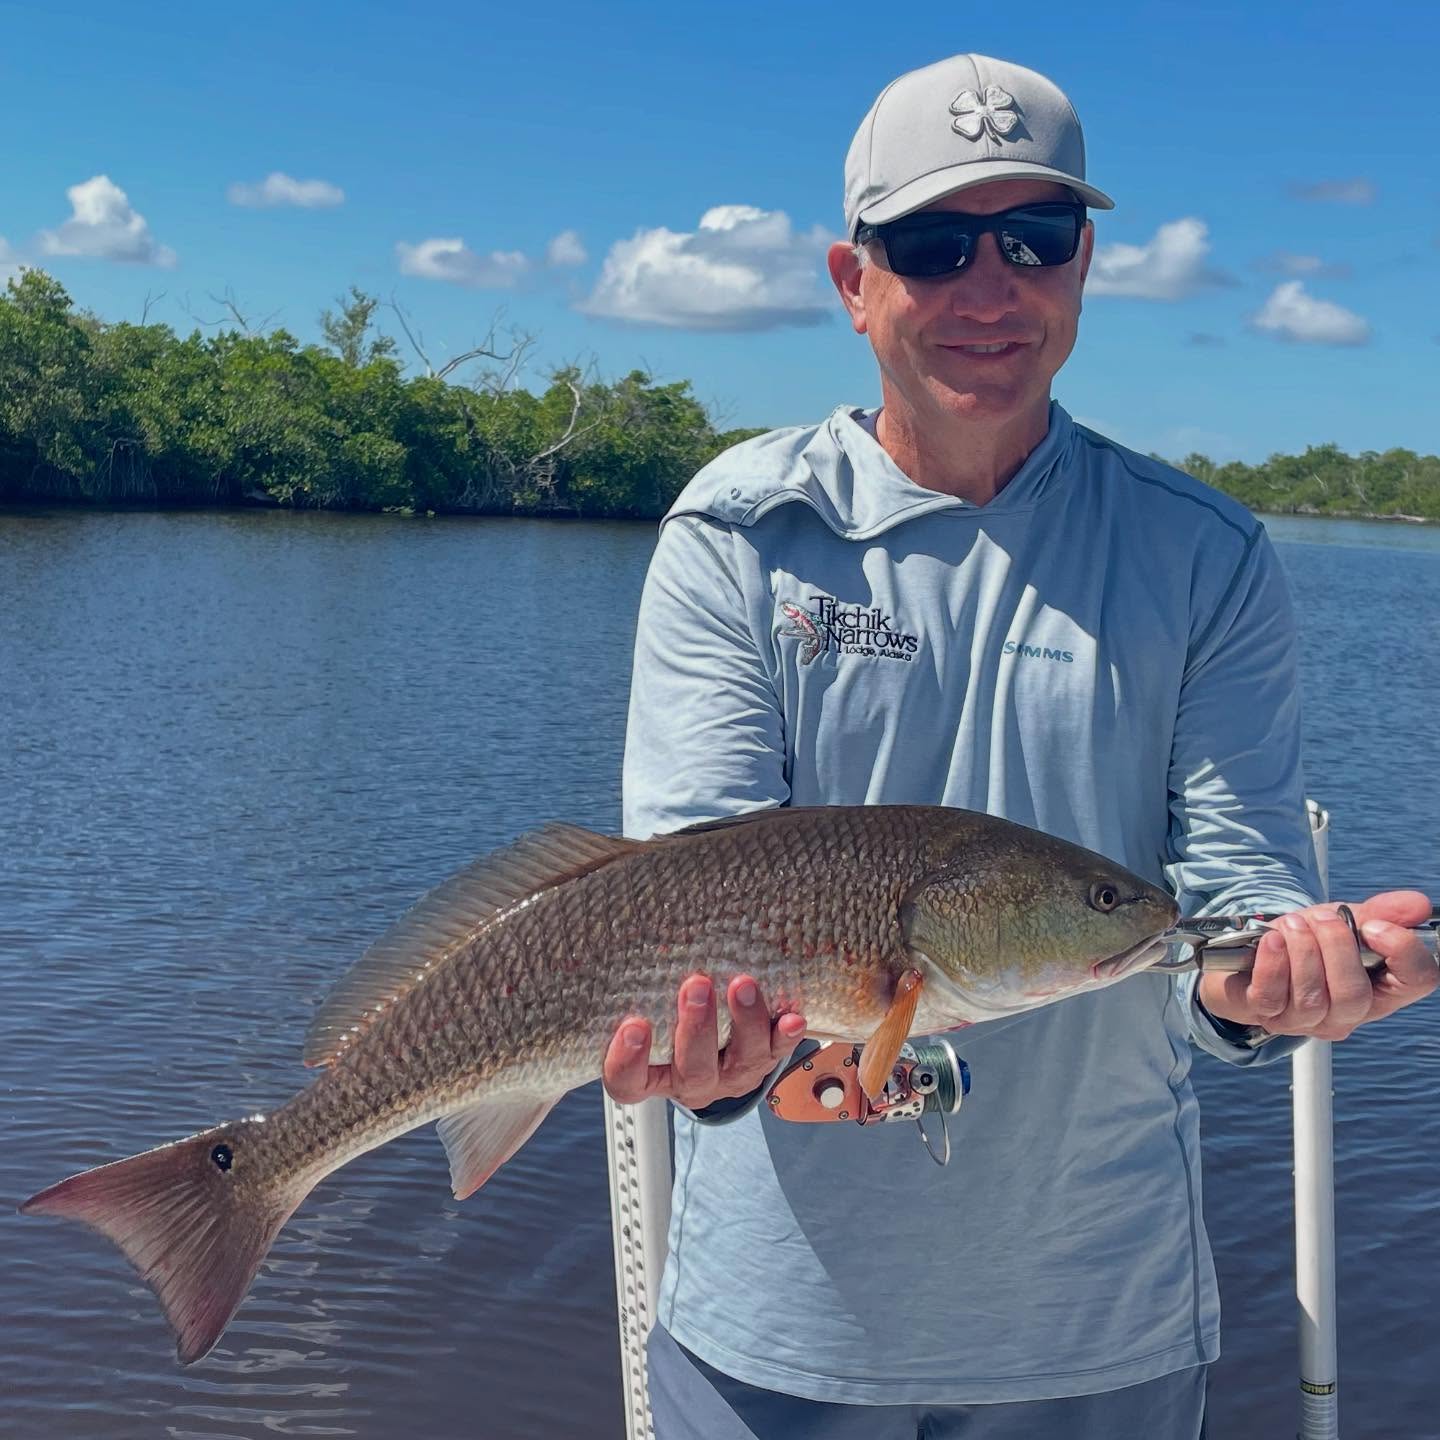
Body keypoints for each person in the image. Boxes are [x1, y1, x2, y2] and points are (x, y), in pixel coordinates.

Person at [602, 52, 1437, 1439]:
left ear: (1085, 264)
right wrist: (728, 1057)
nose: (988, 289)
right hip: (780, 1333)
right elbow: (686, 887)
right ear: (851, 281)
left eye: (1032, 239)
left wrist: (1273, 983)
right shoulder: (740, 533)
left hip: (1097, 1326)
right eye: (931, 245)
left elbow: (1224, 908)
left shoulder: (1204, 554)